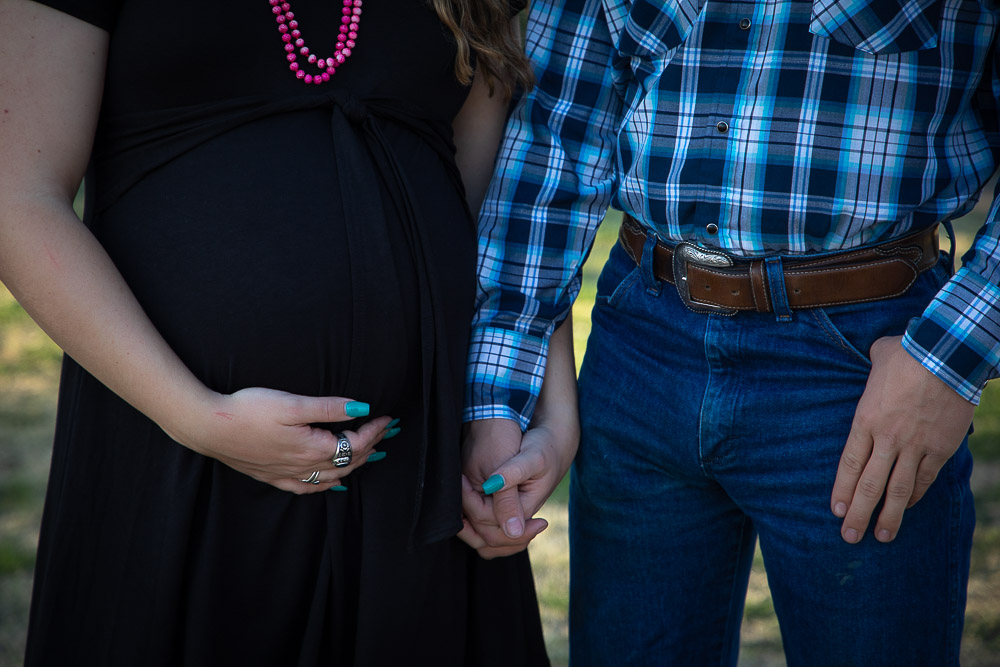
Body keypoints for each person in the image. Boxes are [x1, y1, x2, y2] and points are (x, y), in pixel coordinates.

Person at [0, 0, 556, 664]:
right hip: (174, 462)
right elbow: (17, 193)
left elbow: (500, 207)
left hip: (418, 482)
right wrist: (196, 416)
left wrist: (542, 407)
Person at [460, 0, 998, 664]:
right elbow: (557, 136)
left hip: (862, 364)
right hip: (640, 340)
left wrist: (947, 361)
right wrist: (495, 395)